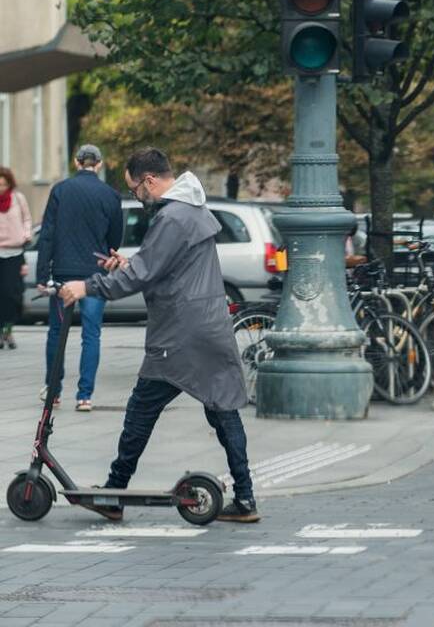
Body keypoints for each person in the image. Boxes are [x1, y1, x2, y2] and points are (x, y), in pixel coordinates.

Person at [58, 148, 258, 522]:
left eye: (135, 189)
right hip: (208, 325)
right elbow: (162, 266)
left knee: (140, 410)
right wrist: (130, 263)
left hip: (180, 333)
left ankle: (114, 492)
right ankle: (246, 499)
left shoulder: (172, 217)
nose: (137, 196)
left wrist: (87, 287)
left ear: (150, 180)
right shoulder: (193, 209)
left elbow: (141, 276)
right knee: (223, 411)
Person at [35, 145, 123, 411]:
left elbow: (47, 234)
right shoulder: (110, 194)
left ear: (76, 162)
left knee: (56, 332)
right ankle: (85, 396)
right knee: (92, 334)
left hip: (63, 273)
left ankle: (54, 390)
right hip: (94, 275)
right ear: (99, 164)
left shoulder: (60, 190)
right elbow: (115, 238)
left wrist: (42, 274)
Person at [0, 167, 33, 349]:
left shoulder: (18, 199)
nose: (1, 188)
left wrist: (27, 234)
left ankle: (8, 331)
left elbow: (27, 219)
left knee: (11, 294)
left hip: (14, 253)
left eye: (4, 184)